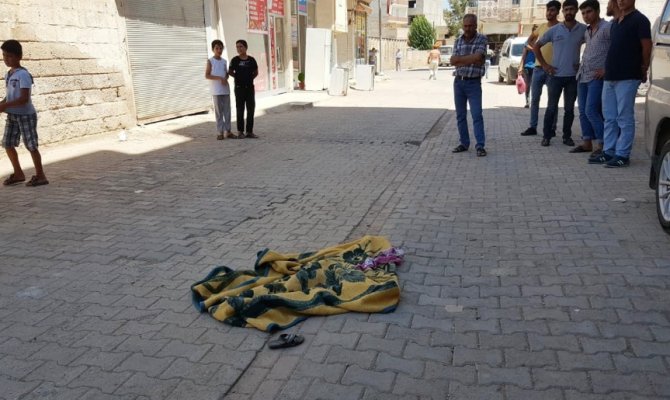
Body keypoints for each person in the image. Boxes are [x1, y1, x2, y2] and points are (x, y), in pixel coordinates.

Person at [590, 0, 651, 167]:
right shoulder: (615, 23)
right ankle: (608, 151)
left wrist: (644, 69)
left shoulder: (640, 20)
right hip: (610, 77)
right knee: (609, 117)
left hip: (628, 76)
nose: (621, 1)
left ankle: (622, 154)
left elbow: (646, 47)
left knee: (624, 117)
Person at [533, 0, 586, 147]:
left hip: (572, 77)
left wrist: (582, 63)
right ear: (562, 12)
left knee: (569, 109)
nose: (568, 12)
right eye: (566, 10)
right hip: (555, 76)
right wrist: (545, 65)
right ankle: (546, 136)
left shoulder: (583, 29)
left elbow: (592, 45)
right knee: (551, 108)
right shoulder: (555, 30)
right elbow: (536, 46)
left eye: (571, 9)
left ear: (576, 11)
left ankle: (566, 136)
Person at [0, 40, 48, 187]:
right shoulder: (9, 74)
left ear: (19, 56)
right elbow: (11, 96)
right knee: (7, 144)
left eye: (10, 56)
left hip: (26, 115)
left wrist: (4, 105)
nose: (7, 59)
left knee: (31, 145)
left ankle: (41, 175)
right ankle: (18, 173)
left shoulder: (23, 75)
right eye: (4, 56)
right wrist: (3, 104)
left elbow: (24, 98)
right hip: (12, 115)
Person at [573, 0, 610, 156]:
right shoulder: (587, 31)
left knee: (591, 110)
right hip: (582, 75)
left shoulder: (607, 28)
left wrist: (607, 69)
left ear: (597, 11)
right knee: (582, 111)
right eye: (583, 13)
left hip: (597, 76)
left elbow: (617, 48)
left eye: (588, 12)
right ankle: (587, 142)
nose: (585, 16)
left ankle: (603, 144)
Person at [450, 14, 488, 157]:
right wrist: (470, 59)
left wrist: (461, 60)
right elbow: (453, 61)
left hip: (473, 83)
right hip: (459, 82)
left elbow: (479, 57)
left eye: (470, 25)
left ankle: (480, 145)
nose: (467, 28)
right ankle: (464, 143)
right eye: (465, 26)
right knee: (460, 116)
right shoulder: (458, 40)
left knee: (477, 115)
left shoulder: (482, 39)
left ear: (475, 25)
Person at [228, 40, 259, 139]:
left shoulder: (251, 60)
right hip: (239, 88)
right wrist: (238, 78)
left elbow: (256, 72)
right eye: (237, 47)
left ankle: (249, 131)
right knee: (240, 109)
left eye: (241, 46)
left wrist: (249, 79)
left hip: (249, 88)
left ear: (246, 47)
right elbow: (230, 71)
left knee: (250, 109)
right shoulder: (235, 60)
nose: (239, 49)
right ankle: (240, 132)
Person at [205, 40, 234, 140]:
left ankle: (228, 131)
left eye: (221, 48)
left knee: (227, 111)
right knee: (219, 112)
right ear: (213, 49)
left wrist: (225, 78)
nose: (219, 50)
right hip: (216, 90)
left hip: (225, 89)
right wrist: (219, 78)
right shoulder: (210, 61)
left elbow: (225, 73)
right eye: (217, 48)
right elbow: (207, 75)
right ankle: (219, 132)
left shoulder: (224, 61)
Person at [518, 33, 537, 109]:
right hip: (527, 67)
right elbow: (523, 56)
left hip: (535, 67)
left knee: (534, 86)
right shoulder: (527, 45)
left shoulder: (539, 44)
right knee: (528, 85)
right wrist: (520, 67)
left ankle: (533, 102)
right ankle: (527, 102)